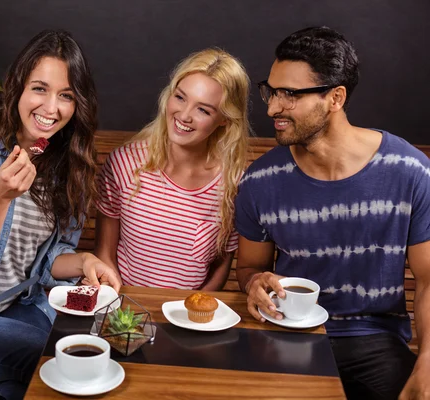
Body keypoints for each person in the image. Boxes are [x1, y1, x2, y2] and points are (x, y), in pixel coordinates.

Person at [235, 27, 430, 400]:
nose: (273, 107)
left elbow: (429, 279)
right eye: (272, 91)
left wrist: (428, 360)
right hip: (290, 333)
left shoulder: (410, 171)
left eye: (290, 94)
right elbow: (248, 271)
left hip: (375, 339)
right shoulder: (260, 181)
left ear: (335, 97)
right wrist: (255, 282)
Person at [0, 30, 121, 399]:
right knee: (53, 356)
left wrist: (84, 260)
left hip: (23, 306)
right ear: (17, 85)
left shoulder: (71, 160)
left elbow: (47, 262)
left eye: (66, 95)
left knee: (78, 345)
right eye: (39, 89)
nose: (51, 109)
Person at [94, 48, 249, 290]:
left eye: (203, 110)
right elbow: (104, 253)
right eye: (180, 97)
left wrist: (193, 313)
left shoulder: (234, 184)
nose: (184, 115)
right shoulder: (124, 163)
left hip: (188, 317)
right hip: (124, 310)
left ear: (225, 120)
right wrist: (125, 311)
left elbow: (222, 265)